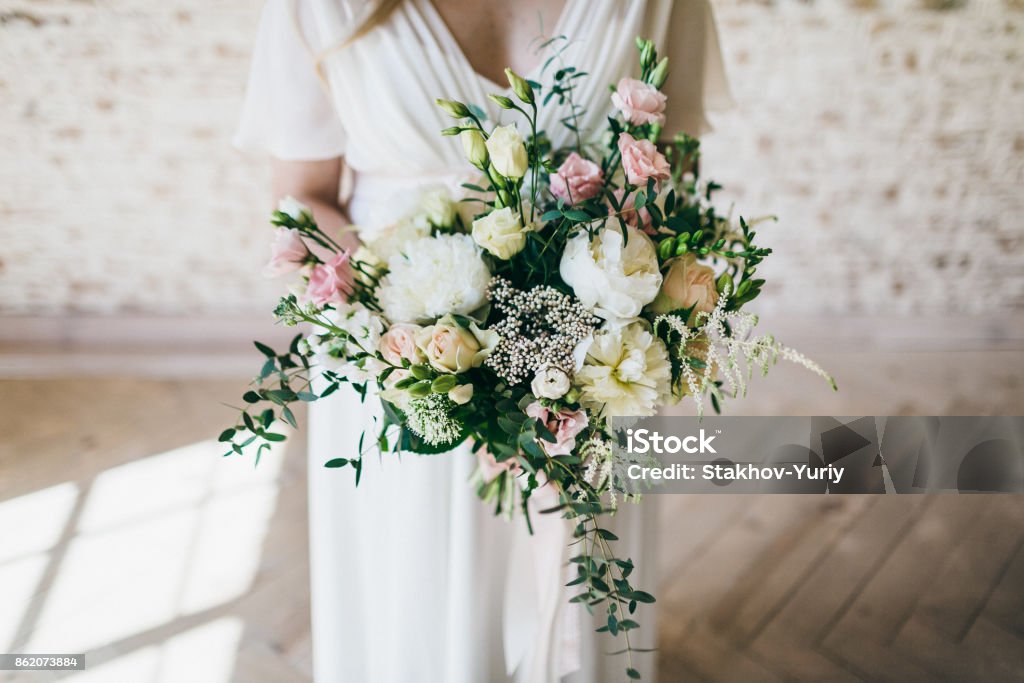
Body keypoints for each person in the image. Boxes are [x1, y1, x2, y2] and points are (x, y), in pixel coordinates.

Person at [235, 1, 731, 680]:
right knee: (422, 595)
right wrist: (399, 327)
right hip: (407, 366)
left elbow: (667, 163)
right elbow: (302, 198)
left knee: (581, 579)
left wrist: (634, 306)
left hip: (596, 355)